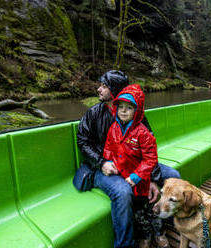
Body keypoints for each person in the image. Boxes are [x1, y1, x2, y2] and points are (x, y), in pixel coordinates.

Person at [76, 70, 180, 248]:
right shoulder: (93, 113)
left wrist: (153, 180)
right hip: (105, 167)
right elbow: (83, 142)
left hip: (134, 163)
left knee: (173, 175)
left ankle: (160, 226)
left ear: (115, 90)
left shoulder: (137, 113)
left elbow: (149, 150)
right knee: (123, 192)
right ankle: (126, 244)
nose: (98, 89)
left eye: (104, 86)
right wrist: (101, 163)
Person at [103, 84, 165, 248]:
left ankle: (160, 234)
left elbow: (150, 159)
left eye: (129, 108)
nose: (123, 111)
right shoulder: (113, 129)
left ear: (137, 111)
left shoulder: (143, 133)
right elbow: (109, 147)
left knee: (152, 212)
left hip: (141, 182)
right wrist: (108, 161)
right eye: (120, 107)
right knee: (137, 214)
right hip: (125, 181)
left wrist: (137, 176)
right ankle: (146, 236)